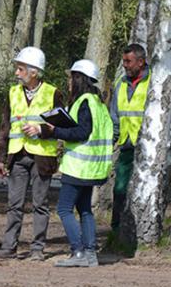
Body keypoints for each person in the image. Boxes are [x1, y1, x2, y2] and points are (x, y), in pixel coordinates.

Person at [23, 59, 113, 267]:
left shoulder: (84, 102)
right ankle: (90, 253)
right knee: (85, 210)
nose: (69, 82)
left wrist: (55, 131)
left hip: (78, 167)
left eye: (71, 77)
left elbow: (81, 133)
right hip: (91, 167)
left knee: (64, 209)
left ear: (79, 78)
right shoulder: (97, 102)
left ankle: (78, 252)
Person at [110, 43, 171, 232]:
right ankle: (116, 230)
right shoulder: (120, 84)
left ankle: (143, 230)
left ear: (141, 61)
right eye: (124, 62)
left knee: (147, 192)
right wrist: (110, 142)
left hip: (149, 149)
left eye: (128, 62)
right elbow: (115, 117)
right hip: (127, 147)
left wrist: (165, 120)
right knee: (119, 190)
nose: (125, 65)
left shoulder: (155, 81)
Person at [0, 47, 63, 261]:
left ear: (34, 72)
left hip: (42, 157)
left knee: (40, 204)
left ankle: (37, 248)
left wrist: (40, 130)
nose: (16, 73)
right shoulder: (13, 93)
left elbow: (62, 125)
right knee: (14, 204)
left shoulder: (53, 93)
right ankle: (9, 246)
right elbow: (5, 126)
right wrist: (0, 158)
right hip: (17, 156)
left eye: (20, 69)